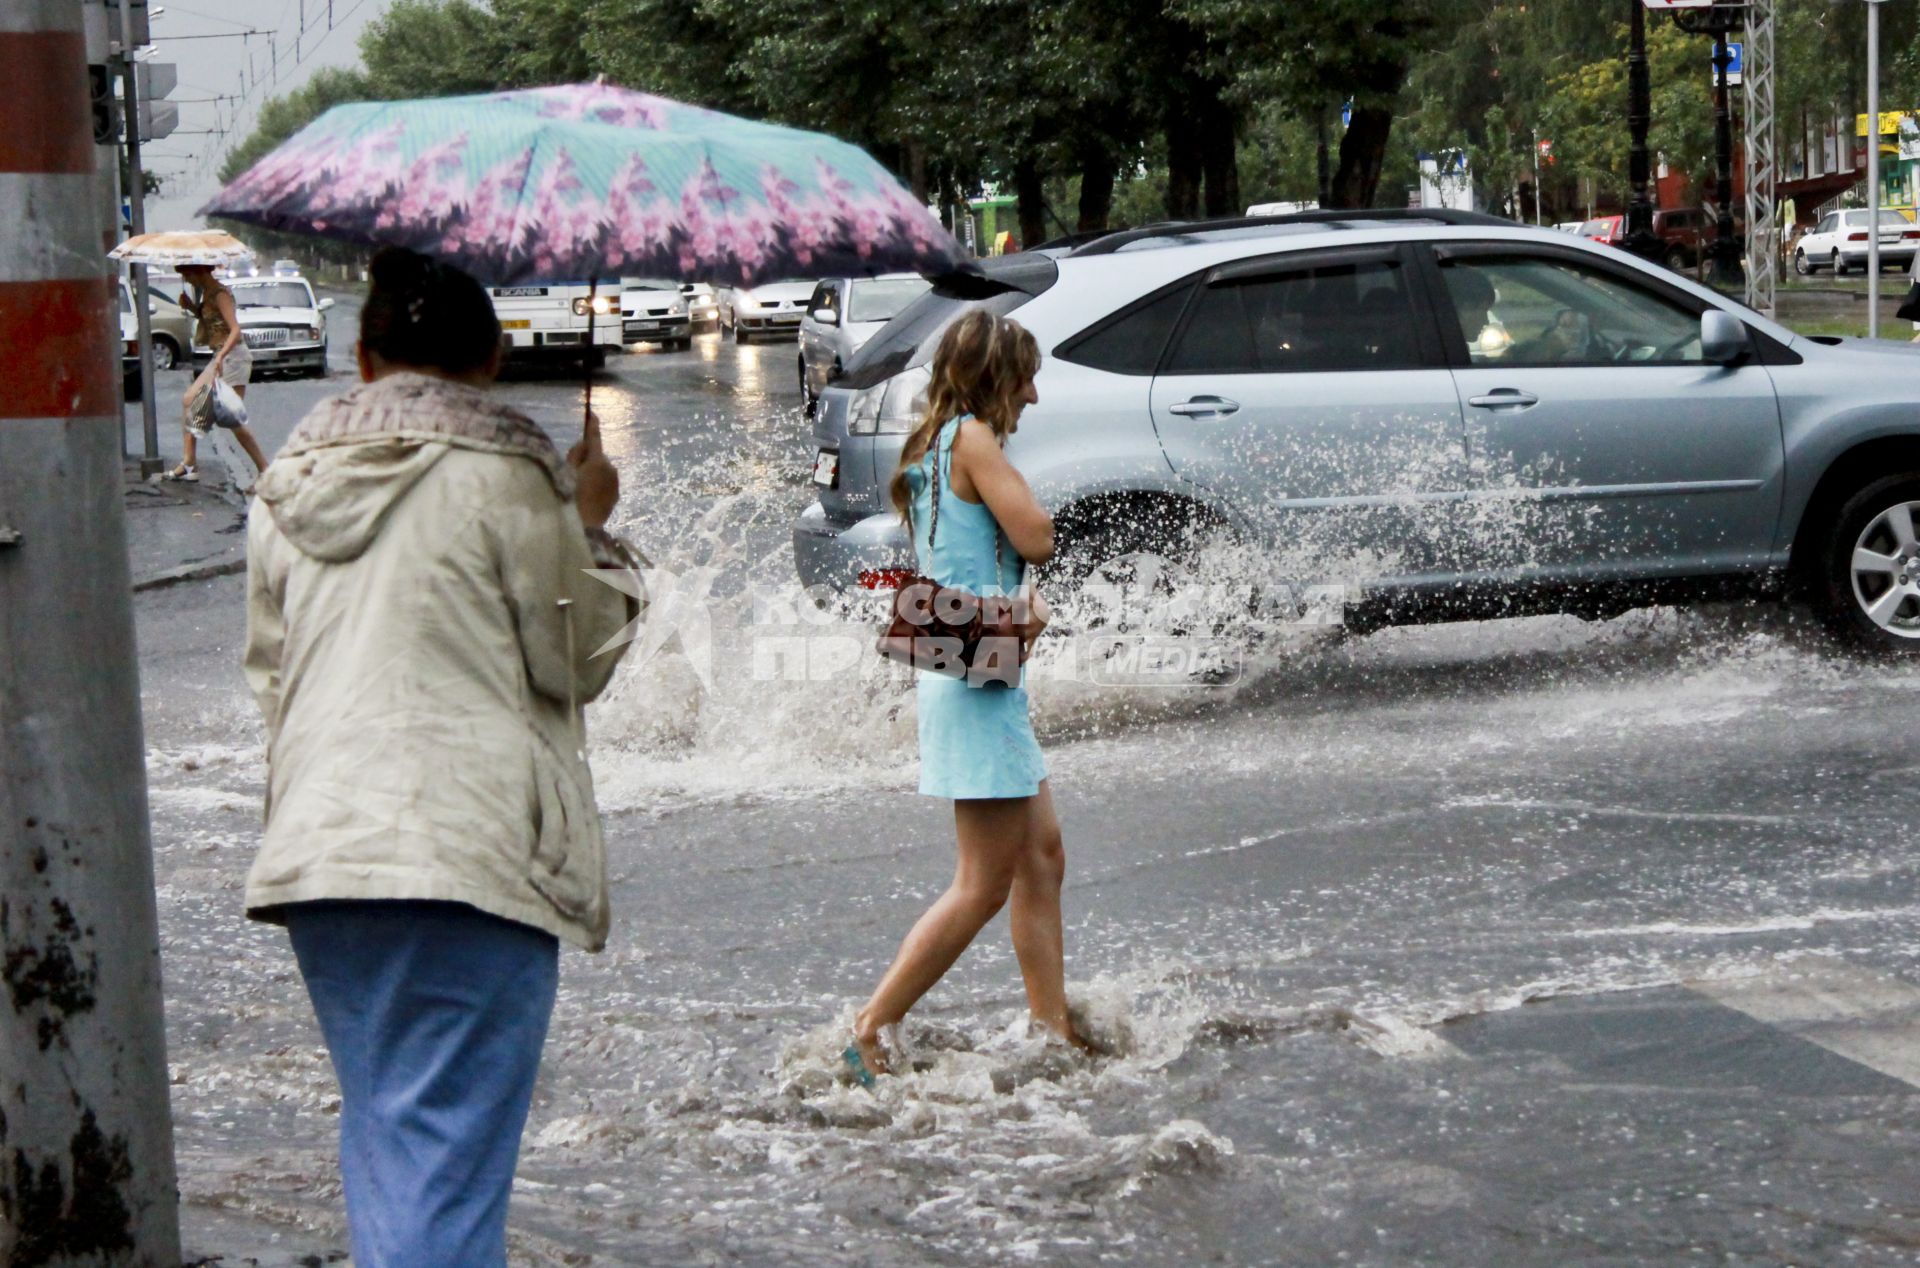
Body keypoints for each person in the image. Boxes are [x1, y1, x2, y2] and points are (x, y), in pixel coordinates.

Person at [240, 247, 642, 1267]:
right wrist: (589, 521)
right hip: (470, 856)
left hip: (324, 861)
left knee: (392, 1139)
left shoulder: (286, 486)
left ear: (363, 360)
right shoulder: (510, 478)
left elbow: (272, 682)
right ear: (495, 358)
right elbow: (572, 656)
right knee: (446, 1167)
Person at [845, 309, 1088, 1083]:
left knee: (1041, 858)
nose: (1036, 396)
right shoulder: (973, 440)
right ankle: (871, 1027)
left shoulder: (933, 444)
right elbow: (1037, 536)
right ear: (996, 378)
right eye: (1027, 377)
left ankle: (1053, 1031)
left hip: (970, 666)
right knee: (982, 883)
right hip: (980, 673)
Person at [165, 263, 270, 484]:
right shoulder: (207, 294)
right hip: (221, 356)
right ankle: (189, 462)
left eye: (188, 274)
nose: (188, 279)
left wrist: (222, 356)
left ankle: (265, 470)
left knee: (233, 419)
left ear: (201, 271)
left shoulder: (220, 293)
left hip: (233, 358)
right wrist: (193, 308)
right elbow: (213, 323)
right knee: (189, 400)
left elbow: (235, 329)